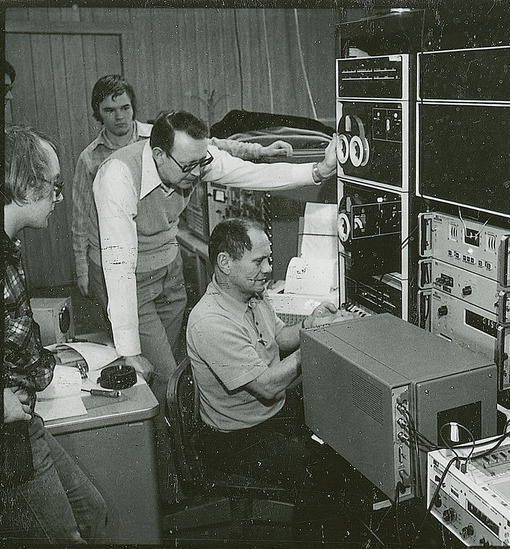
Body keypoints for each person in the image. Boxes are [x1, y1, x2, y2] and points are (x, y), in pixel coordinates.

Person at [93, 109, 337, 500]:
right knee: (157, 383)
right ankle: (171, 492)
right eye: (189, 165)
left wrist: (317, 172)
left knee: (184, 374)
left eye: (201, 162)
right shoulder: (116, 176)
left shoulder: (193, 157)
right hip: (128, 280)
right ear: (158, 156)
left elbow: (251, 174)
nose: (198, 172)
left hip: (166, 268)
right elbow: (118, 267)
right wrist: (128, 353)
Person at [72, 74, 294, 307]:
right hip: (118, 265)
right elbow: (80, 218)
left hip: (163, 260)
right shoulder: (91, 159)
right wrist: (82, 270)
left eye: (125, 107)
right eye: (109, 110)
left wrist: (260, 151)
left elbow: (213, 146)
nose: (119, 116)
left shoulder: (158, 134)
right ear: (98, 113)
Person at [186, 217, 352, 488]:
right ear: (225, 263)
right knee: (321, 477)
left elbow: (279, 337)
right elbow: (267, 387)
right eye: (258, 261)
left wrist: (310, 324)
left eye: (269, 259)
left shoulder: (252, 294)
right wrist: (317, 341)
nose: (269, 268)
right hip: (237, 438)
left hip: (271, 412)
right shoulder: (210, 322)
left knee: (346, 427)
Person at [2, 124, 108, 543]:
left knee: (94, 513)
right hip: (9, 436)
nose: (58, 199)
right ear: (26, 185)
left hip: (26, 422)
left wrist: (51, 359)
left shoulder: (11, 246)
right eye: (54, 187)